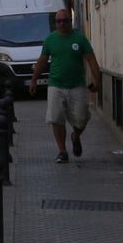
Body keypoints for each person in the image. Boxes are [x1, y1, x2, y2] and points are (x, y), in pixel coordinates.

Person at [28, 10, 102, 163]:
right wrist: (33, 79)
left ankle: (75, 136)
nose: (62, 24)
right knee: (56, 119)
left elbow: (91, 60)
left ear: (71, 21)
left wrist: (98, 81)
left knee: (81, 119)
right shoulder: (50, 40)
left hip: (77, 85)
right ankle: (62, 151)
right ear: (55, 23)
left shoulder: (80, 39)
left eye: (65, 21)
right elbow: (42, 61)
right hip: (56, 84)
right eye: (59, 21)